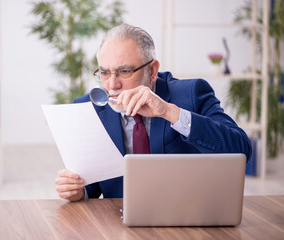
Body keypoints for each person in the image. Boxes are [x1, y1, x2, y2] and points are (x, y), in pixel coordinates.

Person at [55, 23, 252, 202]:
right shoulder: (88, 109)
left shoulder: (191, 94)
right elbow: (92, 184)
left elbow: (241, 149)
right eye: (104, 73)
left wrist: (168, 112)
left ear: (153, 70)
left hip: (186, 215)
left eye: (124, 72)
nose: (112, 84)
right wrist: (78, 190)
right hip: (119, 223)